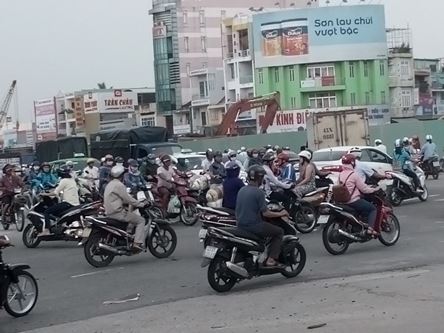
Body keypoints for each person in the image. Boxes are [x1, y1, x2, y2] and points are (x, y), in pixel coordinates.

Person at [236, 165, 289, 267]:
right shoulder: (258, 192)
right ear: (259, 178)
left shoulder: (242, 190)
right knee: (279, 232)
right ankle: (271, 259)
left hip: (240, 224)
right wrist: (281, 213)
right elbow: (266, 213)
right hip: (254, 226)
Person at [104, 165, 147, 251]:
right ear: (121, 175)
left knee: (130, 215)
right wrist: (141, 204)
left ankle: (128, 234)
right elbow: (128, 199)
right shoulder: (119, 185)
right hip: (117, 213)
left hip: (109, 212)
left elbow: (119, 199)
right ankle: (137, 243)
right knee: (141, 220)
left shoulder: (110, 184)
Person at [339, 154, 380, 235]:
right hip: (353, 201)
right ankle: (370, 229)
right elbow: (364, 189)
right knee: (372, 209)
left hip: (342, 202)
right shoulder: (354, 175)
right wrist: (374, 189)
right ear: (352, 163)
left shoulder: (341, 174)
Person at [40, 165, 80, 236]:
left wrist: (43, 194)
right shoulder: (72, 180)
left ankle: (47, 230)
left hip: (68, 203)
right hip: (76, 204)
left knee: (47, 212)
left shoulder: (64, 180)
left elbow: (55, 193)